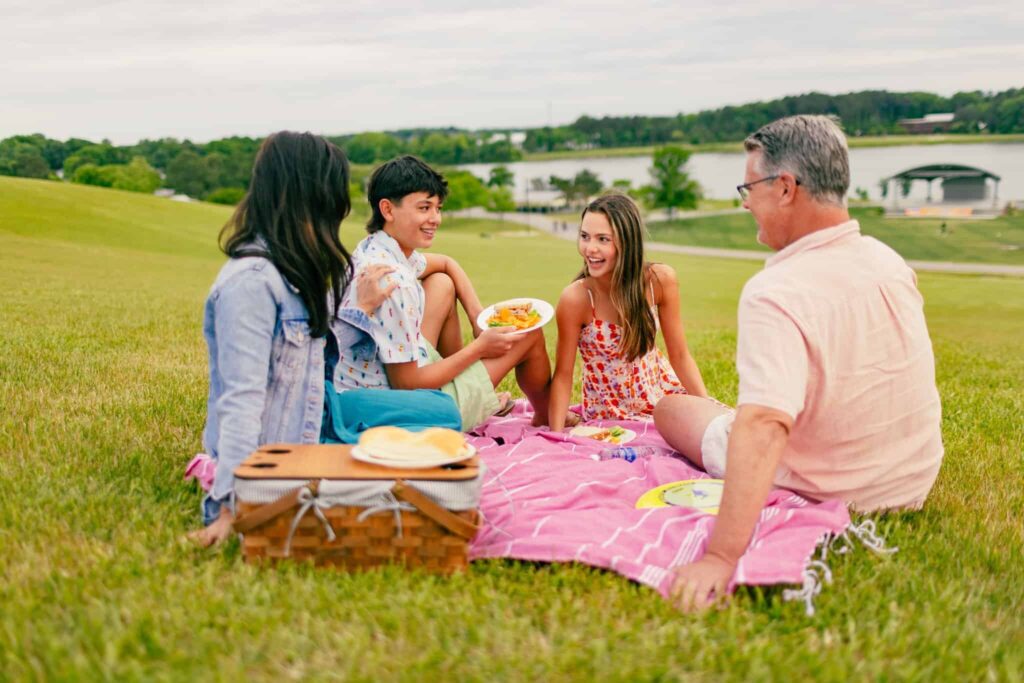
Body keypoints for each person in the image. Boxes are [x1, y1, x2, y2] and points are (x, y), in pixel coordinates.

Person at [654, 115, 943, 611]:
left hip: (834, 491)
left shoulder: (777, 291)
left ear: (785, 188)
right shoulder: (889, 262)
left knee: (671, 409)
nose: (746, 202)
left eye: (749, 187)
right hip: (910, 481)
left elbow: (765, 425)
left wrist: (721, 556)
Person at [190, 133, 459, 548]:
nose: (342, 209)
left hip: (316, 418)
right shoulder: (250, 284)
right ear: (309, 197)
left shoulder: (297, 265)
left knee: (440, 430)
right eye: (334, 195)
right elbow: (241, 399)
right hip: (287, 447)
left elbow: (315, 348)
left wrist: (361, 311)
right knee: (427, 441)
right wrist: (230, 506)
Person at [334, 155, 553, 429]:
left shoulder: (374, 248)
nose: (435, 219)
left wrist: (477, 318)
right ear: (388, 210)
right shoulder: (395, 282)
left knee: (441, 283)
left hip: (373, 382)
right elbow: (406, 384)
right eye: (424, 208)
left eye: (438, 208)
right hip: (399, 408)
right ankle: (546, 415)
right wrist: (478, 349)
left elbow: (447, 264)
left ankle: (469, 389)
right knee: (529, 334)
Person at [548, 193, 710, 432]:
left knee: (724, 436)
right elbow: (563, 376)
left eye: (603, 239)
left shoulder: (660, 280)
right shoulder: (576, 299)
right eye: (584, 236)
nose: (590, 248)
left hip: (662, 397)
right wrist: (556, 434)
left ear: (627, 241)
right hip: (608, 414)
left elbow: (680, 355)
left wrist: (707, 411)